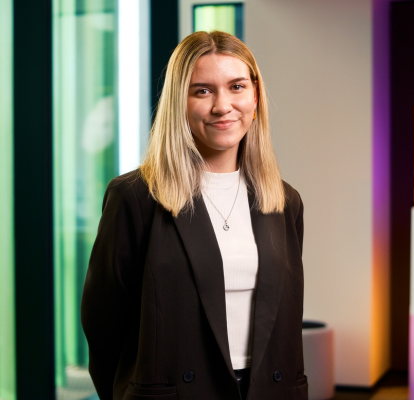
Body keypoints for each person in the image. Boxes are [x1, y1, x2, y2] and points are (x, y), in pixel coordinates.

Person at [81, 30, 307, 400]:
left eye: (236, 87)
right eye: (202, 90)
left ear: (255, 95)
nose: (223, 106)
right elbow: (103, 325)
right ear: (179, 102)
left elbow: (285, 323)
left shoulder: (283, 200)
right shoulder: (135, 199)